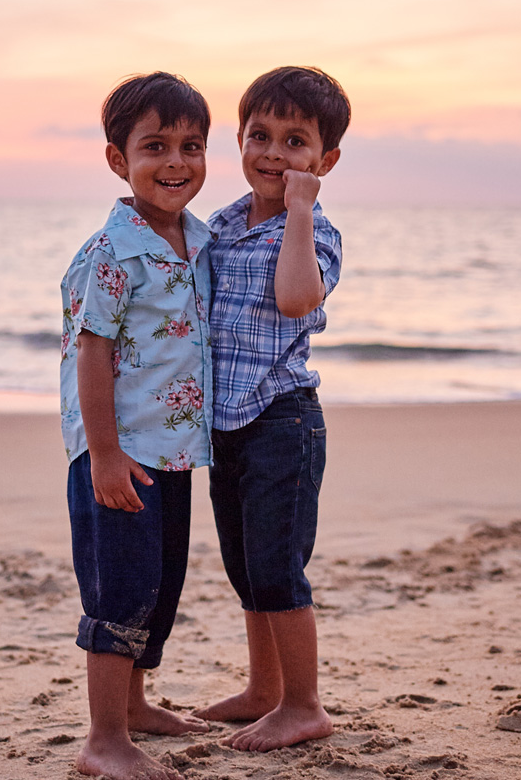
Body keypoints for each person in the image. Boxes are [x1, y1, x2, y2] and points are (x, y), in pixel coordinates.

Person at [59, 72, 216, 780]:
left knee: (159, 584)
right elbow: (92, 351)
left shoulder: (195, 240)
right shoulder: (114, 253)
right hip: (119, 453)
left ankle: (137, 705)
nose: (177, 162)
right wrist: (103, 455)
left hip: (174, 450)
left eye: (192, 145)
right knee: (119, 591)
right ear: (119, 160)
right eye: (156, 146)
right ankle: (104, 739)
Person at [196, 66, 349, 751]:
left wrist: (297, 210)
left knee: (280, 567)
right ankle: (263, 690)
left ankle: (303, 703)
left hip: (283, 420)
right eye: (260, 135)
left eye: (295, 141)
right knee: (245, 565)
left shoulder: (316, 234)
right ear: (239, 139)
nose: (273, 153)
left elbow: (294, 299)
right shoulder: (223, 225)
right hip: (227, 424)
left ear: (324, 161)